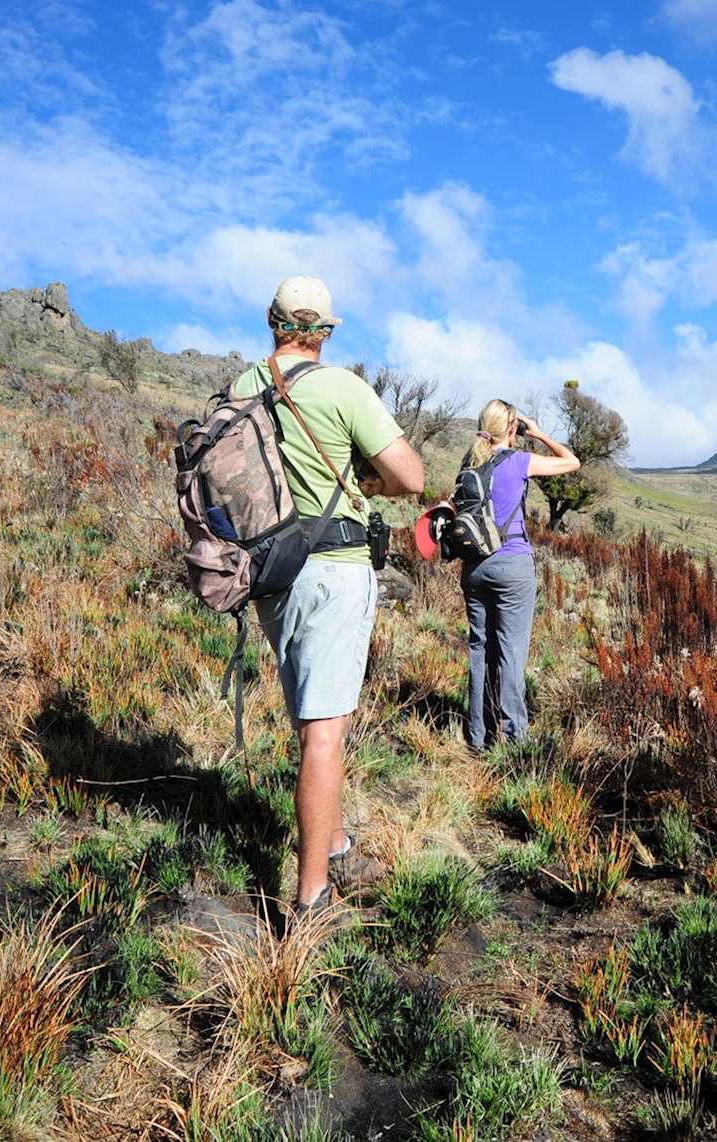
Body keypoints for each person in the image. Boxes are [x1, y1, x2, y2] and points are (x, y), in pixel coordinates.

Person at [232, 276, 424, 915]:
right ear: (326, 332)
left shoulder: (241, 388)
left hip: (270, 573)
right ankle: (311, 895)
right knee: (325, 731)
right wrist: (363, 476)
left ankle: (335, 840)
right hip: (334, 571)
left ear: (272, 322)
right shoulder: (341, 387)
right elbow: (411, 476)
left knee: (310, 718)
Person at [459, 399, 579, 751]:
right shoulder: (519, 461)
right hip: (512, 565)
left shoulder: (470, 464)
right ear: (513, 428)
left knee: (479, 649)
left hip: (474, 567)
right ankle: (513, 741)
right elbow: (572, 462)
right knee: (511, 652)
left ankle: (477, 737)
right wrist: (539, 433)